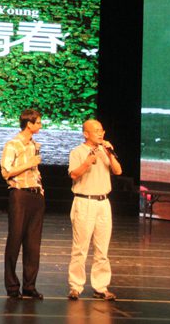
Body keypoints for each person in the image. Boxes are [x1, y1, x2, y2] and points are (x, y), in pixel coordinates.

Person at [67, 119, 123, 301]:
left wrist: (110, 154)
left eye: (102, 130)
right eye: (96, 130)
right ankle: (76, 286)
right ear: (86, 134)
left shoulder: (105, 151)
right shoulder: (77, 152)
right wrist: (87, 162)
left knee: (102, 248)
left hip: (103, 202)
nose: (100, 133)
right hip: (85, 201)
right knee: (80, 248)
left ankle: (101, 286)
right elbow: (74, 174)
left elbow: (118, 171)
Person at [0, 108, 45, 299]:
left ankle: (29, 285)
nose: (41, 126)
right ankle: (12, 287)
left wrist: (40, 188)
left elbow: (35, 171)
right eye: (38, 122)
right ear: (29, 124)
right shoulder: (13, 145)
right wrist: (29, 163)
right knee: (15, 240)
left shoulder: (34, 145)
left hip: (36, 195)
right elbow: (6, 172)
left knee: (33, 244)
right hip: (19, 195)